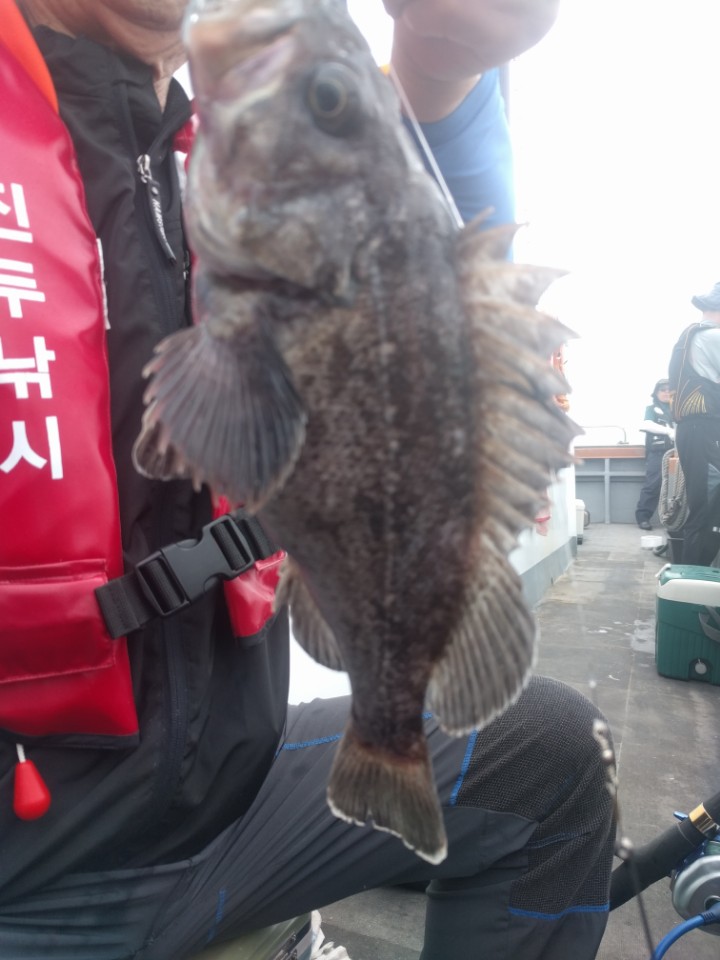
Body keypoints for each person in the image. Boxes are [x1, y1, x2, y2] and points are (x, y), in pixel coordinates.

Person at [0, 2, 617, 959]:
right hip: (31, 871)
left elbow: (435, 266)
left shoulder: (202, 155)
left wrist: (444, 77)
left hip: (232, 805)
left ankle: (382, 752)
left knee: (555, 757)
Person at [670, 282, 720, 565]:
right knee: (707, 510)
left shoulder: (694, 336)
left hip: (696, 432)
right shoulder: (713, 337)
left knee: (705, 508)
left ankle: (694, 577)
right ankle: (693, 582)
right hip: (705, 432)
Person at [635, 379, 675, 531]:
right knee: (652, 485)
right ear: (656, 393)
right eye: (662, 390)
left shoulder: (679, 410)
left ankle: (680, 520)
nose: (666, 392)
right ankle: (643, 518)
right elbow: (647, 424)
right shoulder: (651, 409)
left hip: (679, 454)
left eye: (669, 389)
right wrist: (669, 431)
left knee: (682, 487)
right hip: (658, 454)